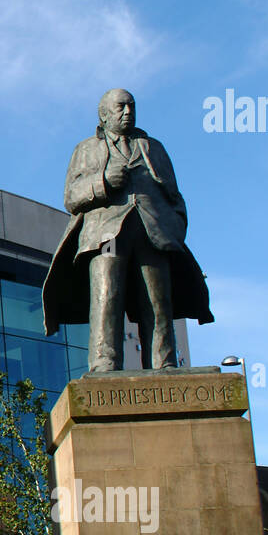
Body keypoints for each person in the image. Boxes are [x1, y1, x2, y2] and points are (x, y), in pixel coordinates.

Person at [42, 89, 213, 371]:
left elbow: (175, 196)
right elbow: (71, 197)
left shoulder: (153, 147)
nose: (128, 112)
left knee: (158, 301)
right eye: (120, 107)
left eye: (131, 106)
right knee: (107, 295)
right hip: (106, 236)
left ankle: (164, 363)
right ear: (104, 114)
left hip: (151, 235)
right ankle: (104, 363)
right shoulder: (86, 149)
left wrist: (175, 229)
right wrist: (104, 182)